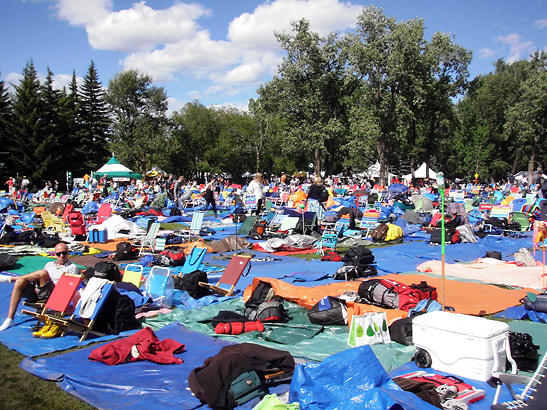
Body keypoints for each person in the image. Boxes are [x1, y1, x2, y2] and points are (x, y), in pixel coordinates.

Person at [0, 243, 80, 336]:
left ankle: (11, 279)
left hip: (55, 295)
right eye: (58, 254)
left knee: (42, 273)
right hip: (39, 291)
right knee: (20, 282)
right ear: (55, 254)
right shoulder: (49, 264)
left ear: (68, 253)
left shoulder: (72, 268)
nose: (62, 256)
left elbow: (68, 288)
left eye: (64, 253)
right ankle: (10, 319)